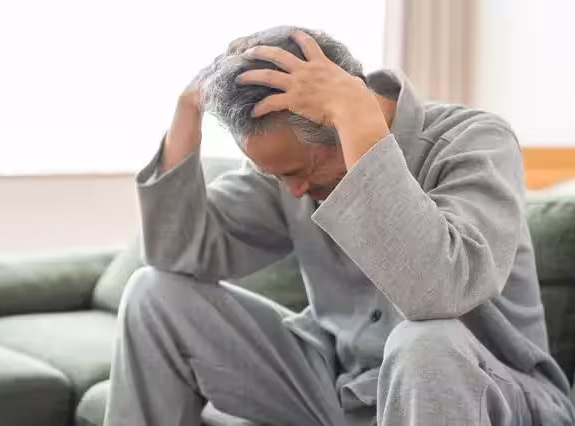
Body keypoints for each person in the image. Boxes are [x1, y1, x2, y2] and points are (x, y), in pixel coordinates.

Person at [104, 26, 575, 426]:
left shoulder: (474, 141)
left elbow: (437, 294)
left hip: (478, 390)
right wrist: (189, 108)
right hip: (339, 383)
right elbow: (177, 254)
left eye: (297, 172)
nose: (292, 191)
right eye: (278, 176)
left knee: (425, 344)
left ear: (339, 125)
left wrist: (359, 126)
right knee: (153, 294)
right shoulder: (293, 168)